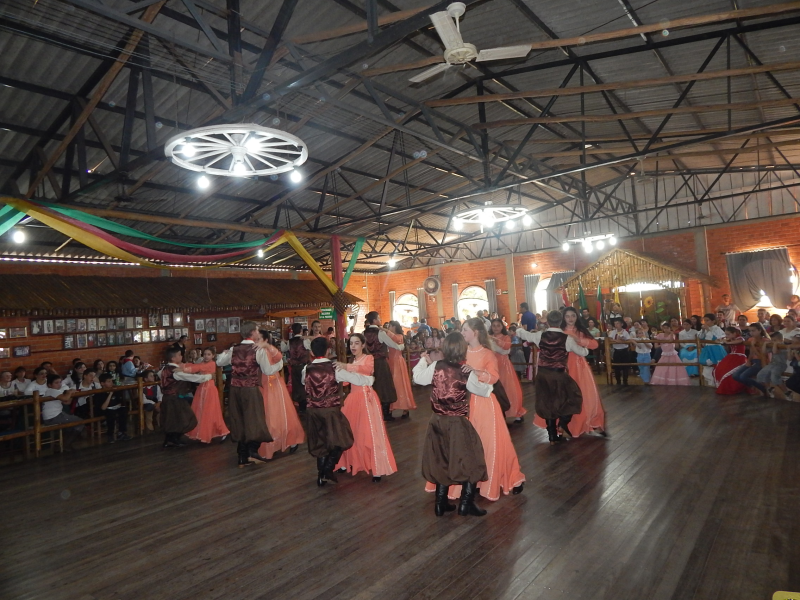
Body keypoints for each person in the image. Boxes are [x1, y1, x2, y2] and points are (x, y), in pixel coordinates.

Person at [427, 318, 525, 502]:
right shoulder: (460, 351)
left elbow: (494, 378)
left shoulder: (488, 353)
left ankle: (505, 478)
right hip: (461, 404)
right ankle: (465, 483)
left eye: (465, 329)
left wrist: (475, 371)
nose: (462, 332)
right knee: (462, 446)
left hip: (484, 403)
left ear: (476, 332)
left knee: (490, 443)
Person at [412, 332, 489, 517]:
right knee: (472, 459)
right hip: (456, 422)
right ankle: (466, 503)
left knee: (441, 459)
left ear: (445, 348)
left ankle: (440, 503)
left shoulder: (436, 366)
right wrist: (481, 375)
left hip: (437, 421)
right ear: (463, 350)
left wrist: (423, 360)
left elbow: (418, 378)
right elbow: (483, 391)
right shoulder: (464, 371)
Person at [517, 311, 586, 444]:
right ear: (561, 321)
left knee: (547, 403)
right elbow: (582, 352)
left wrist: (518, 329)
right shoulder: (567, 338)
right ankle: (563, 422)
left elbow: (523, 334)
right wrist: (585, 347)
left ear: (547, 321)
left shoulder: (540, 335)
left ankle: (552, 436)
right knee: (574, 396)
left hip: (543, 375)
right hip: (558, 375)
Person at [336, 333, 397, 482]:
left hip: (366, 398)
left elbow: (366, 370)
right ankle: (348, 462)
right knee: (350, 431)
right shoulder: (352, 361)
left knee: (370, 433)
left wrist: (346, 367)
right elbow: (347, 382)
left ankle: (377, 468)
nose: (353, 346)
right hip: (353, 398)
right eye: (351, 343)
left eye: (356, 343)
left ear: (363, 345)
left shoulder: (368, 358)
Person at [215, 321, 277, 467]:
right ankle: (251, 452)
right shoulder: (257, 349)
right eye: (257, 330)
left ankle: (242, 456)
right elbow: (268, 370)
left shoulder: (234, 349)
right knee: (255, 420)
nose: (258, 333)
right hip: (250, 389)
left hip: (235, 389)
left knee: (239, 420)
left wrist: (225, 353)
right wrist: (278, 363)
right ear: (253, 332)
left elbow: (219, 362)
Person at [538, 306, 606, 437]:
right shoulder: (559, 331)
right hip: (563, 366)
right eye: (567, 316)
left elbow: (595, 344)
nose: (570, 319)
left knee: (585, 394)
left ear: (577, 317)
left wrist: (579, 340)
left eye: (573, 316)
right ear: (563, 318)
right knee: (563, 396)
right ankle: (564, 425)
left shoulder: (581, 330)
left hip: (580, 367)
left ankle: (587, 423)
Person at [303, 337, 356, 486]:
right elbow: (352, 378)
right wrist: (369, 380)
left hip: (312, 410)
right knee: (341, 438)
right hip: (330, 410)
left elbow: (303, 383)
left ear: (312, 352)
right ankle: (327, 470)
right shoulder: (334, 367)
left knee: (320, 442)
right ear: (328, 350)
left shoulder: (306, 368)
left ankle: (321, 476)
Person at [255, 330, 304, 459]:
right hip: (268, 384)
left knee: (276, 415)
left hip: (272, 385)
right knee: (273, 415)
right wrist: (279, 364)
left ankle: (285, 441)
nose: (256, 341)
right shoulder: (261, 351)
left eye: (258, 339)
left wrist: (279, 363)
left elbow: (268, 369)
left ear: (265, 340)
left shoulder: (265, 350)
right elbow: (271, 367)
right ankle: (282, 442)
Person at [180, 347, 229, 444]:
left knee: (210, 411)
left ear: (213, 355)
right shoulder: (203, 363)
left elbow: (198, 368)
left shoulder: (212, 364)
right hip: (201, 388)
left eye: (209, 354)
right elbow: (196, 366)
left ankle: (219, 431)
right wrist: (183, 365)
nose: (206, 356)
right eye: (205, 354)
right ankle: (200, 432)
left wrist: (183, 368)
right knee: (199, 411)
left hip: (209, 389)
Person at [363, 311, 403, 421]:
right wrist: (401, 347)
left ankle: (373, 411)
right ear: (374, 320)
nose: (380, 320)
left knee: (373, 386)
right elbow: (392, 344)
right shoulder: (380, 333)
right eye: (379, 318)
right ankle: (385, 414)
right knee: (385, 386)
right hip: (380, 362)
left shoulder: (363, 333)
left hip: (368, 363)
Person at [489, 318, 526, 422]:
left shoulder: (506, 337)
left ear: (502, 327)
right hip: (492, 365)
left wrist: (495, 341)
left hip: (504, 366)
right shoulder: (488, 337)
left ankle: (515, 411)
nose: (496, 328)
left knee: (509, 389)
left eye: (498, 325)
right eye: (494, 325)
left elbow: (506, 346)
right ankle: (498, 413)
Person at [758, 315, 800, 399]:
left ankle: (788, 392)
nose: (786, 322)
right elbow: (772, 344)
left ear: (793, 322)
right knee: (763, 374)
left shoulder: (797, 331)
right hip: (782, 355)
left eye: (788, 321)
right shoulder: (781, 331)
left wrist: (787, 342)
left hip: (787, 356)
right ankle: (772, 389)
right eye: (785, 321)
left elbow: (796, 342)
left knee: (782, 376)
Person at [40, 375, 82, 449]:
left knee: (73, 424)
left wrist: (71, 395)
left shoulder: (56, 392)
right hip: (53, 417)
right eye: (56, 383)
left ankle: (64, 443)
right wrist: (69, 392)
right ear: (49, 385)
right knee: (80, 422)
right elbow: (65, 398)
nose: (59, 384)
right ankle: (66, 444)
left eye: (60, 382)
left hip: (56, 415)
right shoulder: (51, 390)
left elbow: (67, 402)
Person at [386, 321, 416, 419]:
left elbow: (395, 338)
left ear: (394, 327)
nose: (388, 328)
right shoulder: (389, 335)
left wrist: (383, 329)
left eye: (389, 326)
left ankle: (405, 408)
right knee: (392, 385)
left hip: (397, 362)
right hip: (390, 361)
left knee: (399, 384)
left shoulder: (399, 336)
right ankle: (391, 407)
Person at [732, 323, 770, 393]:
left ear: (759, 330)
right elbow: (751, 353)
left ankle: (763, 388)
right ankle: (754, 386)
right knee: (735, 375)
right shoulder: (751, 339)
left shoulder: (765, 341)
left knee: (743, 376)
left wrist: (753, 346)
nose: (751, 333)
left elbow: (762, 356)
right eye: (750, 331)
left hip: (761, 362)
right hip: (753, 360)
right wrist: (748, 361)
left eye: (753, 331)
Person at [650, 322, 690, 386]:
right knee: (662, 368)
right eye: (664, 328)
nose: (666, 329)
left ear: (670, 328)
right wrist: (661, 344)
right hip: (664, 354)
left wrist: (671, 333)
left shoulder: (672, 335)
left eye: (667, 328)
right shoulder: (660, 335)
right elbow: (655, 344)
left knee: (673, 367)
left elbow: (671, 340)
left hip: (672, 354)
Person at [96, 373, 130, 443]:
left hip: (116, 407)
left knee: (124, 411)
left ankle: (121, 432)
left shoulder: (116, 390)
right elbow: (103, 407)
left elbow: (119, 401)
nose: (111, 383)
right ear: (102, 383)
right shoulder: (100, 393)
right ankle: (110, 435)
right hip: (106, 410)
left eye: (111, 381)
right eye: (108, 381)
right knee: (111, 415)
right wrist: (110, 394)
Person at [714, 327, 748, 395]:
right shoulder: (730, 338)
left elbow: (738, 342)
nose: (726, 336)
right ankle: (725, 387)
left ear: (734, 333)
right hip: (731, 356)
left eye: (728, 334)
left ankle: (733, 388)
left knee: (728, 370)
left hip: (739, 357)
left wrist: (726, 341)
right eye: (726, 334)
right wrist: (722, 339)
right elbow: (716, 341)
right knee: (720, 368)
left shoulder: (740, 338)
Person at [698, 314, 727, 386]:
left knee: (717, 365)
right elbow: (700, 337)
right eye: (704, 320)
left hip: (716, 349)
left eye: (707, 320)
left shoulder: (717, 329)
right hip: (707, 349)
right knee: (707, 366)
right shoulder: (704, 329)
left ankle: (718, 383)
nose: (705, 322)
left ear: (713, 321)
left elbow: (719, 338)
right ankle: (710, 383)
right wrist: (703, 330)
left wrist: (709, 330)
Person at [288, 323, 309, 414]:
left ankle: (300, 407)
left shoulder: (289, 341)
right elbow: (310, 348)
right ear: (301, 330)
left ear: (292, 331)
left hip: (294, 367)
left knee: (297, 386)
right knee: (305, 385)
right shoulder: (304, 340)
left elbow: (285, 349)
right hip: (303, 366)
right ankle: (305, 406)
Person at [607, 318, 631, 385]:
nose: (616, 325)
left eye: (617, 323)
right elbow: (609, 339)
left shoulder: (625, 332)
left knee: (625, 366)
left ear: (621, 324)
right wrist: (616, 341)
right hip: (617, 351)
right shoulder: (613, 332)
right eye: (615, 324)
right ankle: (618, 381)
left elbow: (628, 340)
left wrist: (623, 340)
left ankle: (625, 381)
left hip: (624, 351)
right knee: (617, 367)